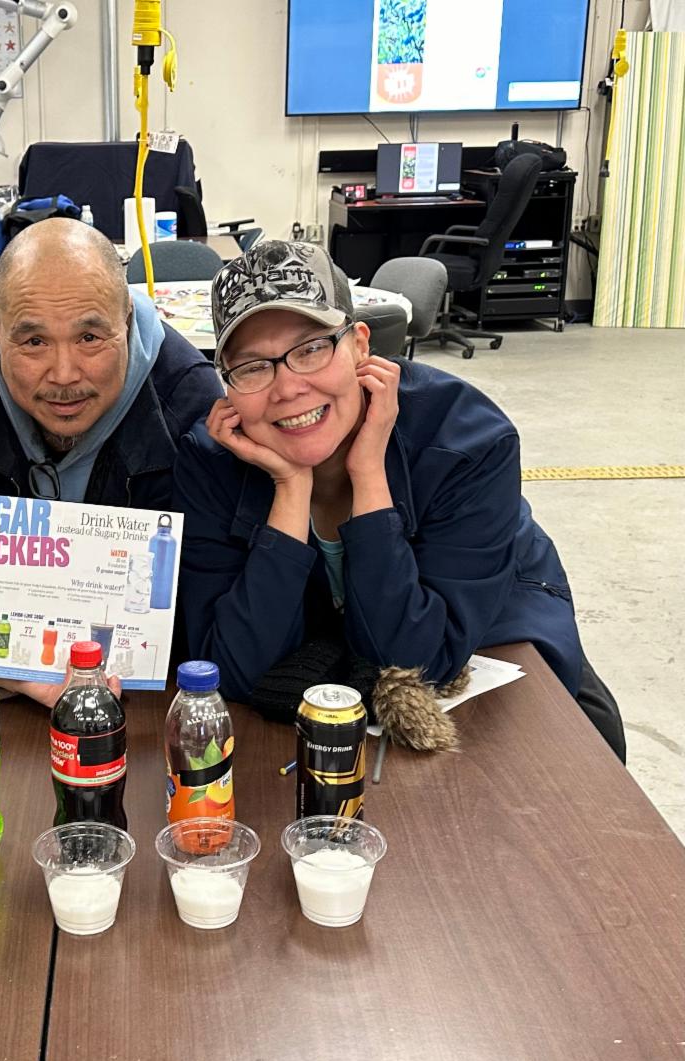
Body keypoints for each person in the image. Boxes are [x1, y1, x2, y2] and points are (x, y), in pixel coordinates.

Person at [173, 240, 625, 759]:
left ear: (360, 344)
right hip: (327, 677)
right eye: (252, 367)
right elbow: (231, 669)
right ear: (225, 384)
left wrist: (368, 472)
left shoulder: (466, 440)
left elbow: (419, 660)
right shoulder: (210, 459)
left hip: (493, 628)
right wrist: (290, 487)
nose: (287, 387)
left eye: (311, 348)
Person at [0, 216, 222, 508]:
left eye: (89, 338)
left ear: (127, 320)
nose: (64, 375)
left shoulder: (190, 400)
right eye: (35, 342)